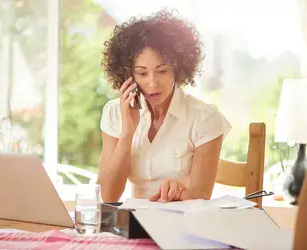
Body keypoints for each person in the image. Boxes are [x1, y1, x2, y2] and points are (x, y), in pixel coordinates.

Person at [97, 9, 231, 203]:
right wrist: (127, 133)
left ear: (177, 69)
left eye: (162, 71)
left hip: (182, 223)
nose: (153, 83)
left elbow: (201, 198)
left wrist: (182, 191)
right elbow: (107, 197)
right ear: (128, 75)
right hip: (135, 225)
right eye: (142, 73)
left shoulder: (205, 118)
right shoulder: (114, 113)